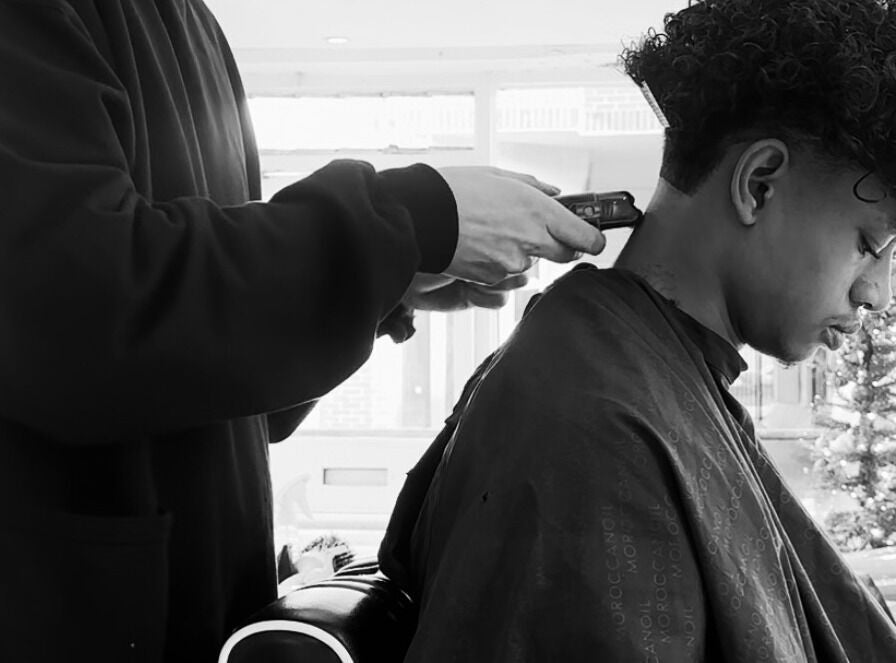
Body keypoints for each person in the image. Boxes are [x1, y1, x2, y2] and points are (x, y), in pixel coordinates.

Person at [0, 2, 606, 662]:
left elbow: (228, 391)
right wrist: (409, 223)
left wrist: (385, 284)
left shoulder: (193, 25)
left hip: (203, 609)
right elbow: (77, 317)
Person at [379, 0, 896, 660]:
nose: (880, 293)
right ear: (759, 184)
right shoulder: (593, 427)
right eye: (870, 243)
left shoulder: (647, 371)